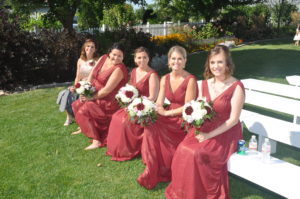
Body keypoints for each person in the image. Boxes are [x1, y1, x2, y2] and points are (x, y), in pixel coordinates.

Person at [165, 45, 245, 199]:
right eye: (213, 62)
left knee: (197, 153)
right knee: (183, 149)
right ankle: (185, 192)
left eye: (220, 62)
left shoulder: (237, 87)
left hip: (226, 131)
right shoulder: (204, 84)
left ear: (228, 63)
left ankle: (201, 193)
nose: (216, 66)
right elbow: (197, 108)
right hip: (205, 127)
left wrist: (208, 135)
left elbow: (233, 120)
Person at [137, 46, 198, 189]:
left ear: (185, 61)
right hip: (168, 112)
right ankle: (153, 166)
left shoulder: (190, 80)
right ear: (168, 61)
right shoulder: (165, 78)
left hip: (183, 117)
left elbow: (188, 107)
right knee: (150, 123)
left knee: (156, 126)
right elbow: (159, 101)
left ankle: (162, 167)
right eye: (173, 59)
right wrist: (156, 109)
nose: (176, 62)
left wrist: (166, 113)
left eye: (180, 59)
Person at [106, 47, 160, 161]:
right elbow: (131, 88)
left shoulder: (152, 75)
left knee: (124, 121)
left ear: (148, 58)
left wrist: (135, 105)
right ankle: (115, 149)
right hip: (133, 105)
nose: (142, 60)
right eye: (139, 57)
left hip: (145, 107)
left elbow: (153, 97)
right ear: (135, 59)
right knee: (116, 117)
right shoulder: (135, 71)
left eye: (144, 57)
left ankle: (127, 150)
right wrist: (126, 98)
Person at [71, 43, 128, 150]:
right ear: (109, 52)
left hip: (107, 101)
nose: (116, 58)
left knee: (85, 109)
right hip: (94, 92)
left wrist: (91, 97)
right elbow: (92, 74)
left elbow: (107, 90)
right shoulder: (103, 58)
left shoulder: (119, 69)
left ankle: (96, 140)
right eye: (114, 54)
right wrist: (85, 89)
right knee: (76, 105)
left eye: (120, 56)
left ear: (123, 57)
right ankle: (85, 128)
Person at [56, 39, 98, 126]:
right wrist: (75, 86)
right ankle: (69, 117)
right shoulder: (80, 60)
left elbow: (97, 77)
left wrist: (87, 85)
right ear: (84, 48)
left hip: (91, 85)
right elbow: (77, 76)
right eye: (88, 46)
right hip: (80, 84)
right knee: (65, 93)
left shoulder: (97, 61)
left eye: (92, 47)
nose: (90, 48)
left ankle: (83, 118)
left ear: (95, 49)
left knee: (81, 97)